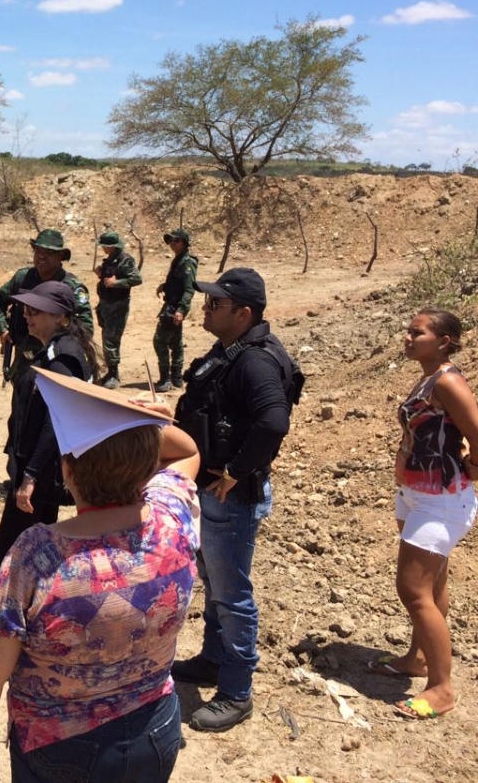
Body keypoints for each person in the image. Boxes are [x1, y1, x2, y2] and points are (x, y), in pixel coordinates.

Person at [0, 373, 201, 783]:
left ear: (68, 472)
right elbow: (188, 451)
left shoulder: (37, 553)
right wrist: (145, 424)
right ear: (148, 464)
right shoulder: (172, 517)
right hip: (156, 727)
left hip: (60, 746)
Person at [171, 268, 301, 732]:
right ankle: (212, 659)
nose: (206, 309)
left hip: (231, 497)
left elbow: (273, 423)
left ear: (243, 314)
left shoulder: (255, 361)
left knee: (232, 595)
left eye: (216, 304)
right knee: (214, 584)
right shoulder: (231, 352)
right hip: (211, 492)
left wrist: (235, 472)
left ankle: (236, 691)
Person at [376, 309, 477, 720]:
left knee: (413, 590)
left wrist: (473, 469)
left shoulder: (449, 381)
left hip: (442, 498)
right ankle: (418, 660)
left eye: (417, 333)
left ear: (444, 341)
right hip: (417, 492)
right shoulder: (429, 377)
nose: (407, 337)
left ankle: (442, 688)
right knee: (432, 585)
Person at [0, 281, 100, 564]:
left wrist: (30, 477)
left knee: (11, 552)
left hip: (41, 470)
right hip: (39, 466)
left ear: (61, 317)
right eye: (25, 310)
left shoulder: (62, 358)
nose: (26, 315)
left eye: (35, 311)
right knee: (31, 550)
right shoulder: (55, 350)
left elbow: (56, 421)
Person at [0, 230, 93, 385]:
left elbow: (86, 327)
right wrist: (3, 329)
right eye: (38, 251)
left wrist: (60, 344)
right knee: (22, 402)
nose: (41, 256)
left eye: (48, 252)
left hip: (54, 358)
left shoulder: (70, 286)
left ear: (60, 256)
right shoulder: (23, 278)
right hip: (23, 355)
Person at [94, 230, 143, 390]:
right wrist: (101, 274)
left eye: (104, 246)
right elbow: (108, 277)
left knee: (111, 341)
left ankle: (114, 374)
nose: (102, 248)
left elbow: (136, 279)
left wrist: (116, 283)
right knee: (107, 338)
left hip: (118, 305)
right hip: (106, 304)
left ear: (111, 246)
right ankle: (111, 372)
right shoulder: (110, 260)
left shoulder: (125, 260)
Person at [153, 229, 198, 393]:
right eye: (171, 240)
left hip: (175, 307)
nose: (172, 243)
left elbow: (188, 289)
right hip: (172, 304)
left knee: (159, 341)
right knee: (176, 342)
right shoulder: (178, 260)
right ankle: (177, 378)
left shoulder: (187, 262)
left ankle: (166, 379)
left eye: (176, 241)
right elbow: (177, 283)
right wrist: (164, 286)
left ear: (184, 243)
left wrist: (181, 309)